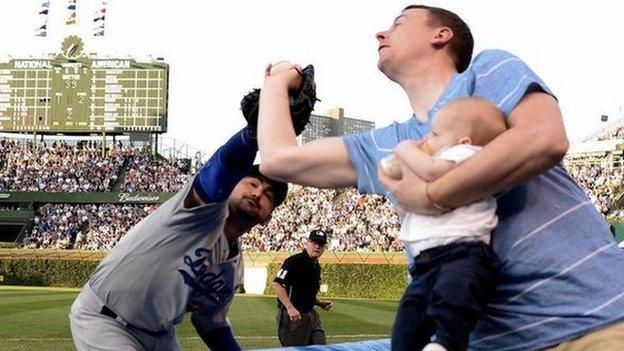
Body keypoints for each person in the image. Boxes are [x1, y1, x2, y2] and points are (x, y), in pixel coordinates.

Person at [257, 4, 624, 351]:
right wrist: (276, 82)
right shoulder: (386, 144)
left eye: (398, 24)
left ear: (442, 35)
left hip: (595, 323)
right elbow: (278, 160)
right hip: (485, 343)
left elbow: (544, 138)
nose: (380, 33)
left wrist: (432, 193)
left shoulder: (486, 73)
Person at [69, 127, 288, 351]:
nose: (257, 193)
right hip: (105, 320)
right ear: (232, 184)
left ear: (268, 218)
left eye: (268, 195)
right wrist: (251, 135)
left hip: (161, 335)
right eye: (252, 183)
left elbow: (211, 325)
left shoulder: (233, 271)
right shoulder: (201, 212)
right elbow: (222, 169)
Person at [378, 97, 506, 351]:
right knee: (410, 319)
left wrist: (405, 149)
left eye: (435, 134)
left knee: (452, 307)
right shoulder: (439, 165)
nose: (427, 139)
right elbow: (408, 203)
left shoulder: (468, 155)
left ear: (464, 141)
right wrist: (396, 176)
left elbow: (434, 170)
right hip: (426, 264)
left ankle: (444, 345)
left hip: (463, 254)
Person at [272, 229, 333, 347]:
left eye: (320, 244)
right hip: (294, 318)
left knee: (320, 348)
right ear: (308, 243)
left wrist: (319, 303)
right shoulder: (294, 261)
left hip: (311, 315)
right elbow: (277, 284)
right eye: (314, 242)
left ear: (324, 248)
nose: (317, 246)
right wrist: (290, 308)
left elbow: (304, 291)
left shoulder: (316, 265)